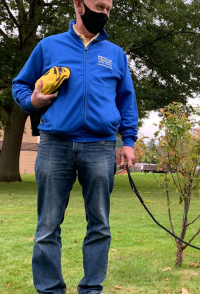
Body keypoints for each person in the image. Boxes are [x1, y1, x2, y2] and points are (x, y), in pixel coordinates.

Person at [12, 0, 138, 293]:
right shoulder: (48, 46)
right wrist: (32, 101)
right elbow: (20, 84)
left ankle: (91, 289)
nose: (104, 13)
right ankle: (50, 289)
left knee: (100, 225)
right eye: (99, 6)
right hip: (55, 145)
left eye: (108, 9)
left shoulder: (115, 54)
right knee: (47, 227)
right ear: (79, 5)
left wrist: (128, 141)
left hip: (101, 147)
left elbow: (126, 100)